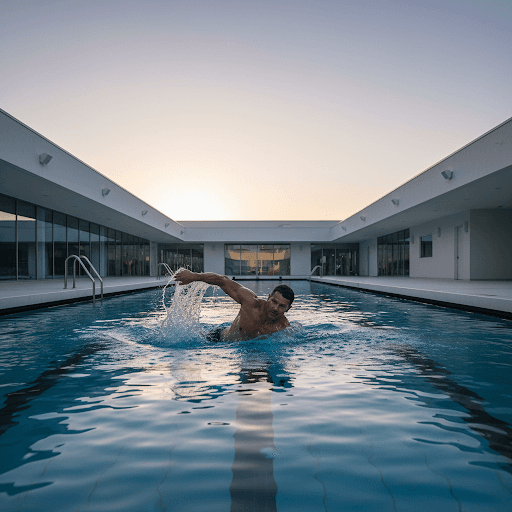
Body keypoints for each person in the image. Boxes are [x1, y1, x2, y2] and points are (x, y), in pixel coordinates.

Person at [173, 269, 294, 342]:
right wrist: (194, 276)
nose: (275, 308)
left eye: (282, 306)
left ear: (288, 309)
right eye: (274, 301)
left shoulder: (283, 327)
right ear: (268, 298)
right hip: (218, 339)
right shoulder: (251, 302)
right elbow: (223, 280)